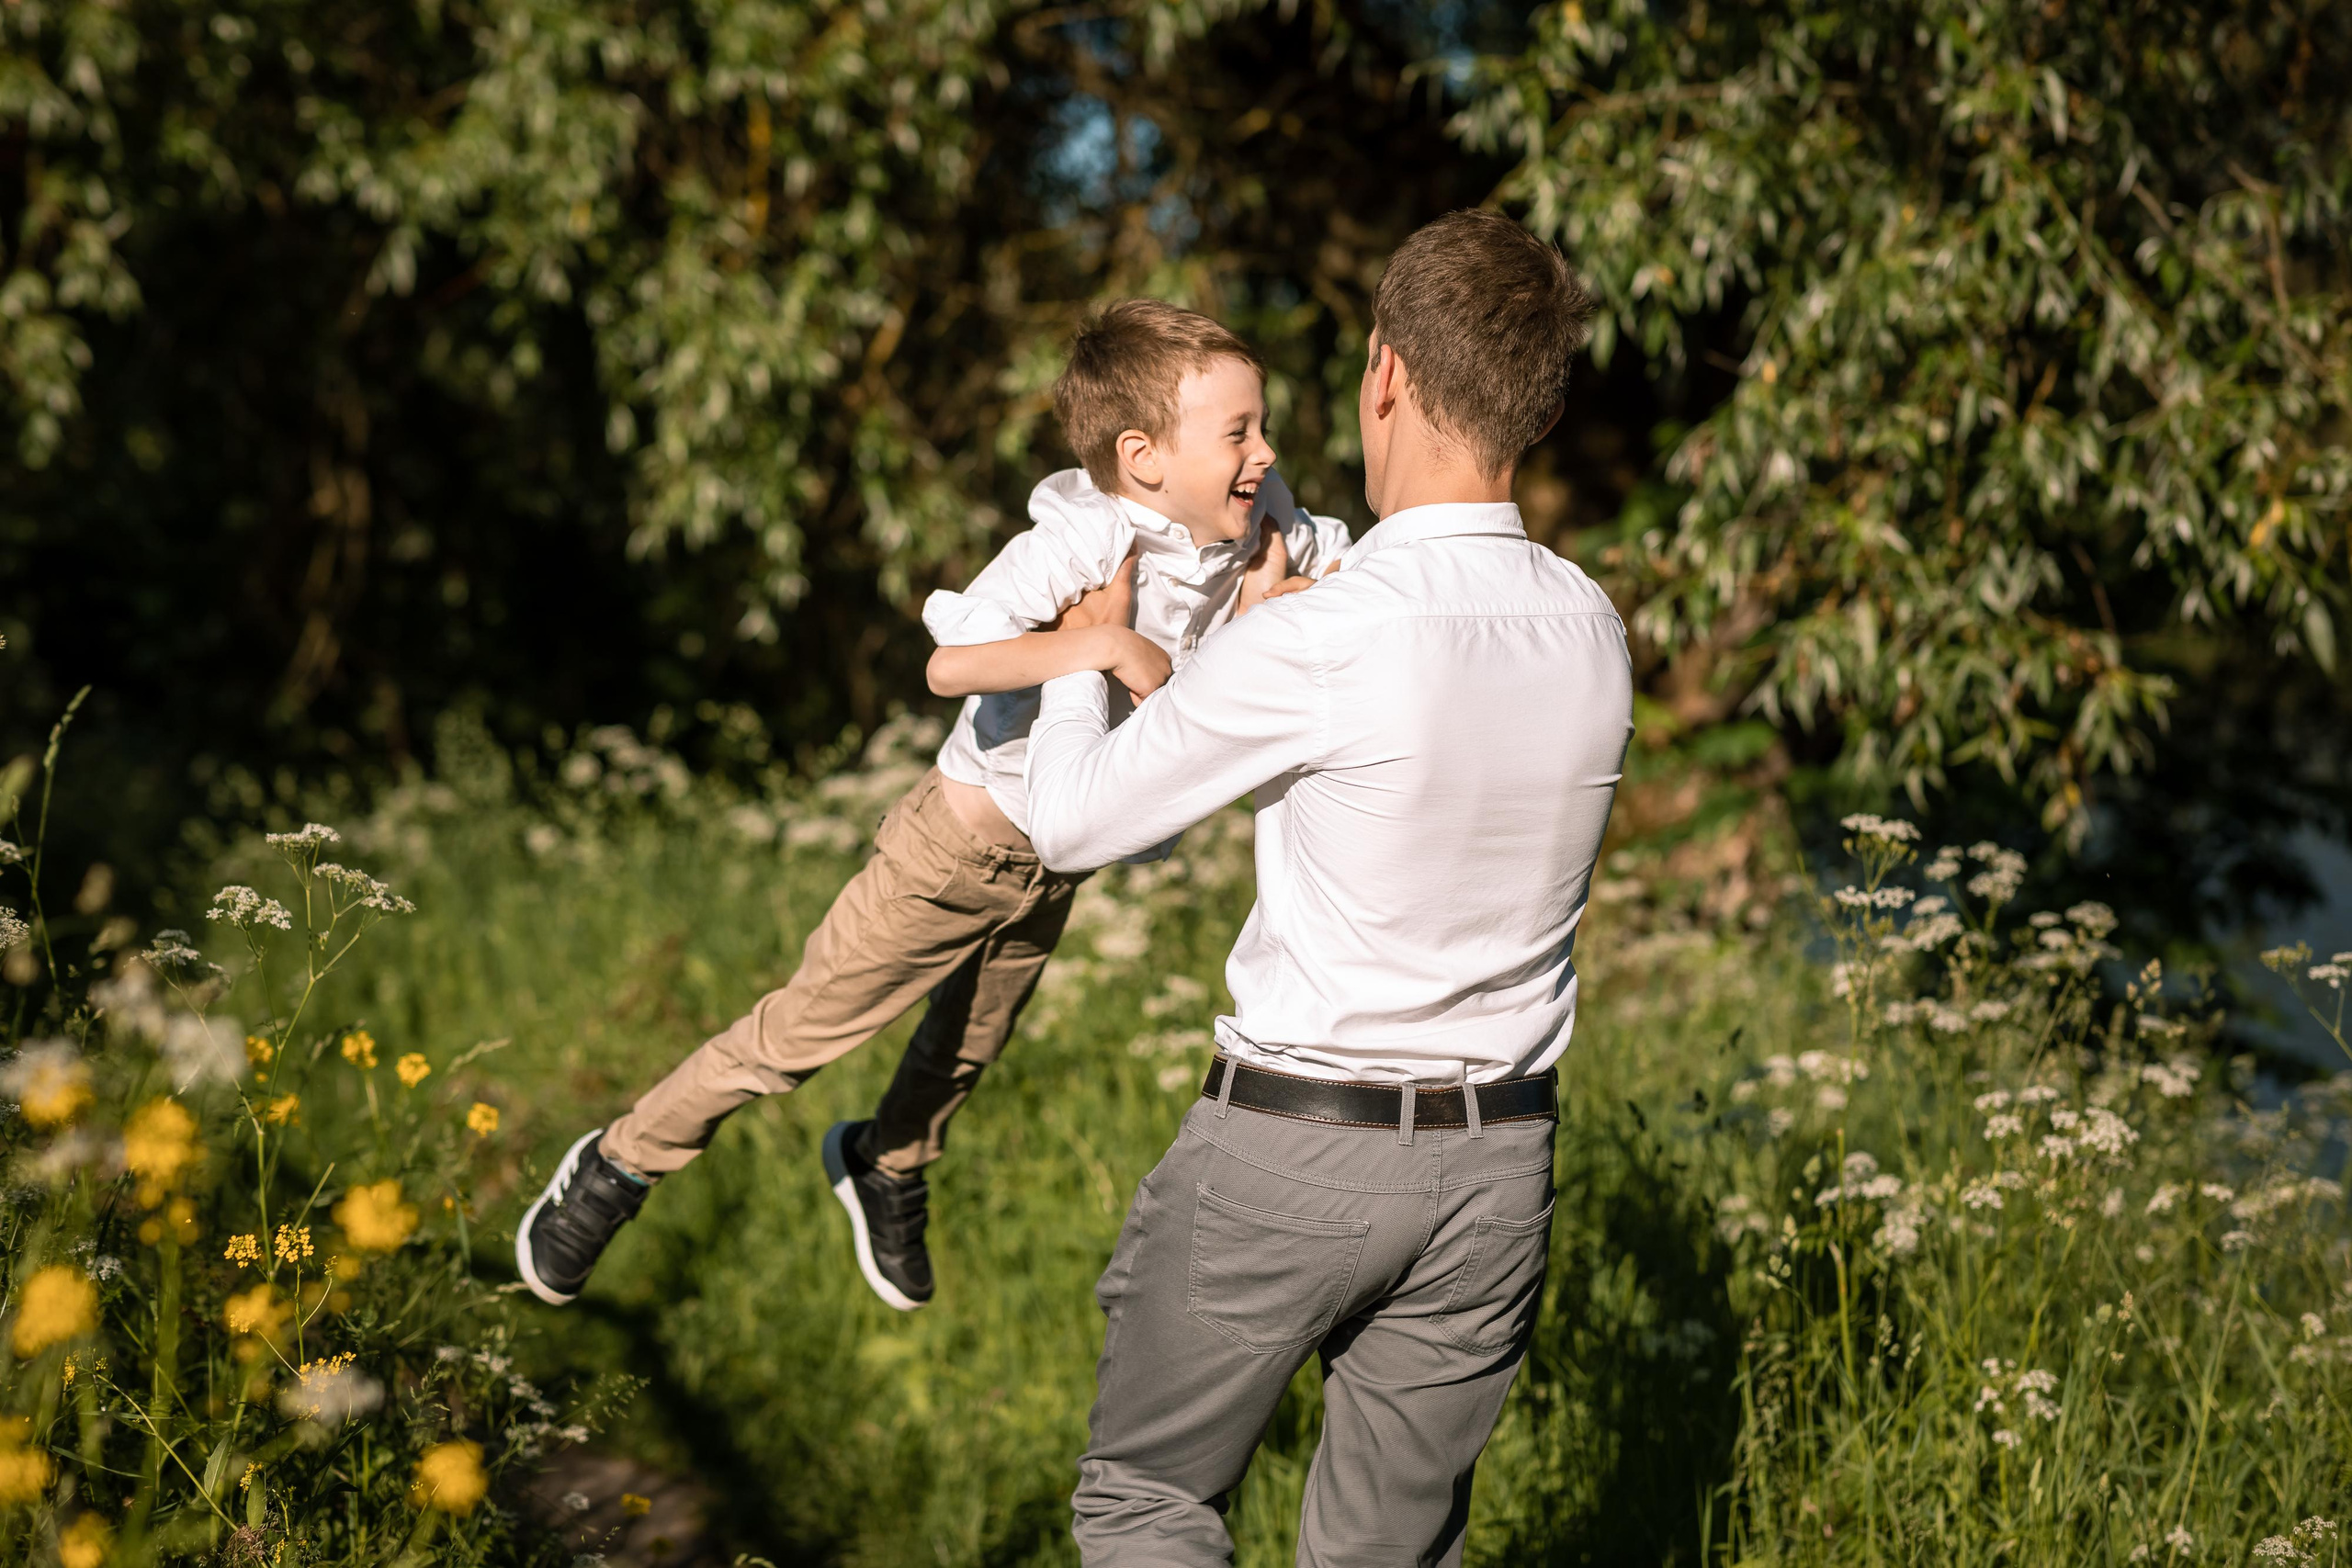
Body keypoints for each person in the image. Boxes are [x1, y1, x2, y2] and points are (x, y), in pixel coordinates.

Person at [514, 300, 1350, 1313]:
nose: (1267, 450)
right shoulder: (1082, 539)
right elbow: (952, 663)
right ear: (1142, 457)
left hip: (1057, 866)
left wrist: (1280, 607)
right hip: (950, 855)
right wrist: (1102, 642)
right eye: (1239, 433)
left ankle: (885, 1165)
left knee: (964, 1052)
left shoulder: (1256, 516)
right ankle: (619, 1163)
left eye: (1262, 426)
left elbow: (1336, 565)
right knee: (795, 1041)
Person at [1022, 210, 1632, 1566]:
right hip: (1501, 1167)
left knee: (1147, 1500)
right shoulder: (1593, 623)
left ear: (1386, 377)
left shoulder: (1330, 635)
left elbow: (1069, 823)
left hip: (1292, 1147)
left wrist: (1086, 640)